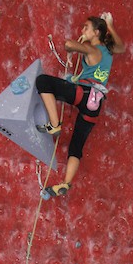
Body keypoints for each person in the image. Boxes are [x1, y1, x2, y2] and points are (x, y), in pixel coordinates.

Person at [36, 11, 125, 198]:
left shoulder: (93, 49)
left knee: (43, 82)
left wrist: (77, 46)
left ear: (96, 33)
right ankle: (65, 184)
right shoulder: (109, 52)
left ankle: (54, 124)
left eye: (86, 28)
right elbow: (121, 47)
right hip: (95, 104)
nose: (82, 30)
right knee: (76, 147)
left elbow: (68, 44)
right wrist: (110, 25)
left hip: (83, 94)